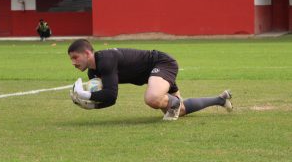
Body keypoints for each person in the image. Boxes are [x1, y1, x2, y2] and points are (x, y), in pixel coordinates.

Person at [68, 39, 233, 120]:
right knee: (180, 110)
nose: (73, 63)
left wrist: (87, 96)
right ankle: (220, 99)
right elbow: (110, 100)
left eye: (75, 57)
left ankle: (173, 102)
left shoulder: (106, 59)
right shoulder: (92, 73)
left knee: (152, 98)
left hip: (161, 63)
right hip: (153, 76)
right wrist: (91, 105)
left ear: (88, 53)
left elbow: (111, 94)